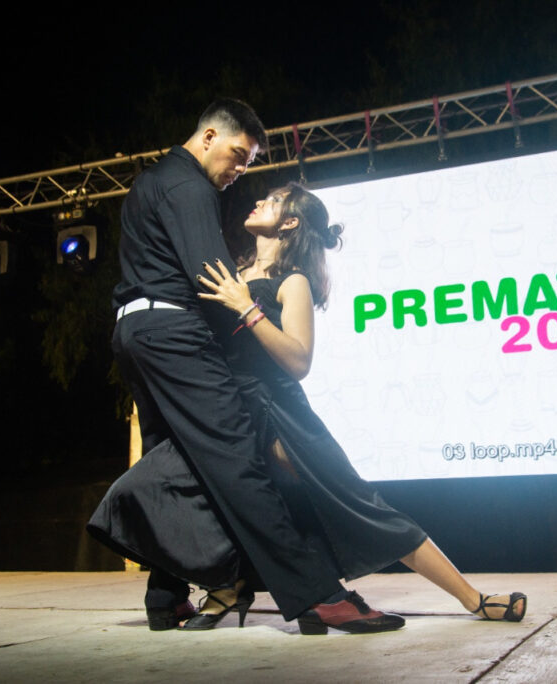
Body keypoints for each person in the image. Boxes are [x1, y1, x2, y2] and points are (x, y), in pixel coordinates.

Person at [94, 180, 527, 633]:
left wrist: (246, 307)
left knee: (359, 504)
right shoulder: (233, 271)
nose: (258, 201)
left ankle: (473, 598)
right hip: (225, 411)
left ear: (290, 223)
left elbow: (299, 361)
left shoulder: (292, 281)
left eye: (273, 201)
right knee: (154, 489)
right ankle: (229, 587)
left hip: (279, 415)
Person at [98, 98, 403, 635]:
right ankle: (318, 595)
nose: (241, 169)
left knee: (172, 466)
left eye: (249, 161)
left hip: (133, 334)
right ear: (209, 137)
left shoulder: (149, 182)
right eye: (239, 154)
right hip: (175, 338)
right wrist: (248, 334)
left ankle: (165, 597)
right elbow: (212, 278)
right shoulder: (190, 187)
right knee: (238, 457)